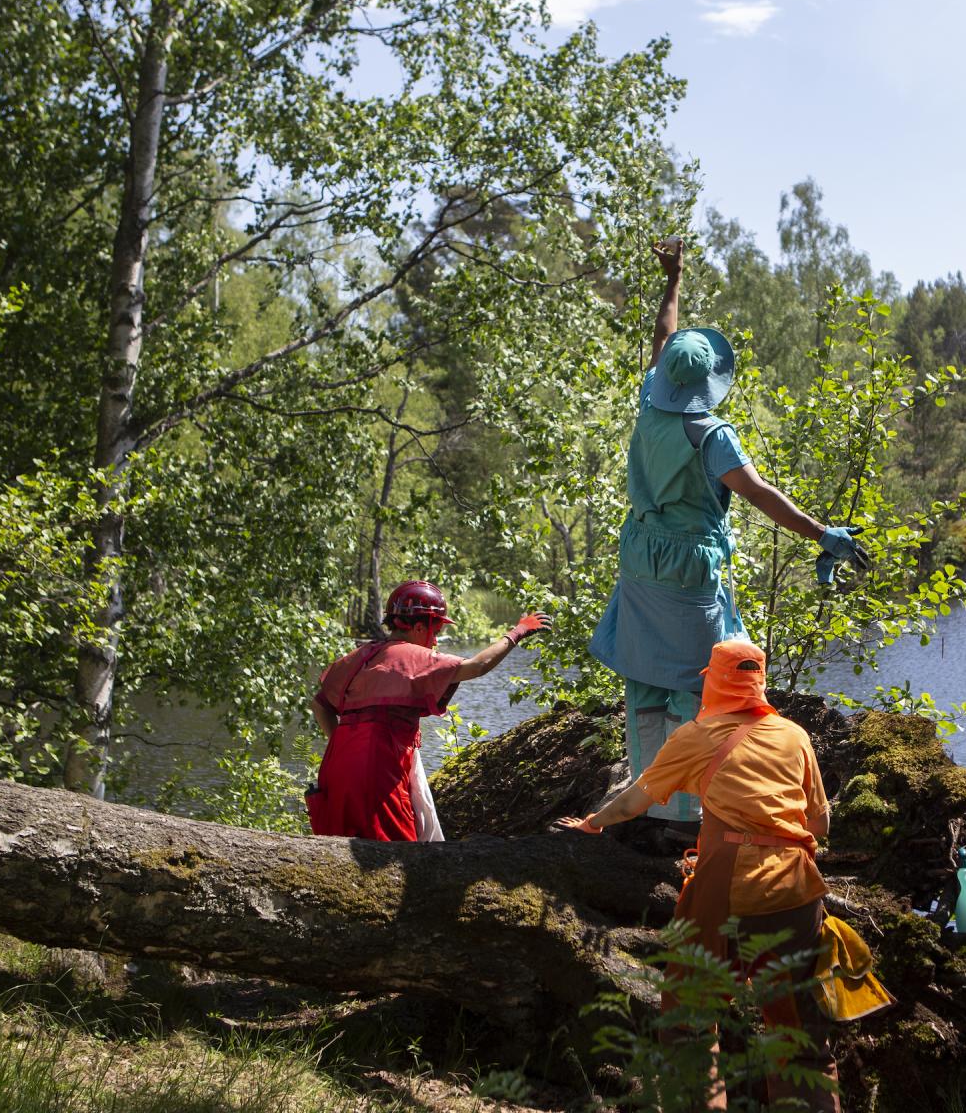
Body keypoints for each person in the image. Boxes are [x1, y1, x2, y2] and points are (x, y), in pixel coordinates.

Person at [588, 238, 869, 828]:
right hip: (689, 569)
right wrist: (822, 535)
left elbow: (663, 338)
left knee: (643, 683)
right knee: (702, 688)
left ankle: (647, 805)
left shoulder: (650, 402)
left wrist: (674, 278)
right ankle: (691, 817)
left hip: (642, 557)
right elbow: (761, 495)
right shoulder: (710, 433)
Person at [558, 639, 840, 1112]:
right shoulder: (794, 735)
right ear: (758, 682)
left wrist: (593, 822)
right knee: (798, 1026)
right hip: (796, 886)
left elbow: (633, 801)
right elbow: (820, 825)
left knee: (689, 1016)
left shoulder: (696, 736)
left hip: (729, 882)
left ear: (714, 681)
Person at [306, 580, 548, 841]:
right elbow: (478, 666)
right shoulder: (412, 656)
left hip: (337, 764)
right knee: (394, 853)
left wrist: (341, 743)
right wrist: (517, 632)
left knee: (340, 844)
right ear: (418, 626)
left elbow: (320, 705)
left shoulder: (359, 656)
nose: (435, 641)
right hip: (376, 769)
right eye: (435, 631)